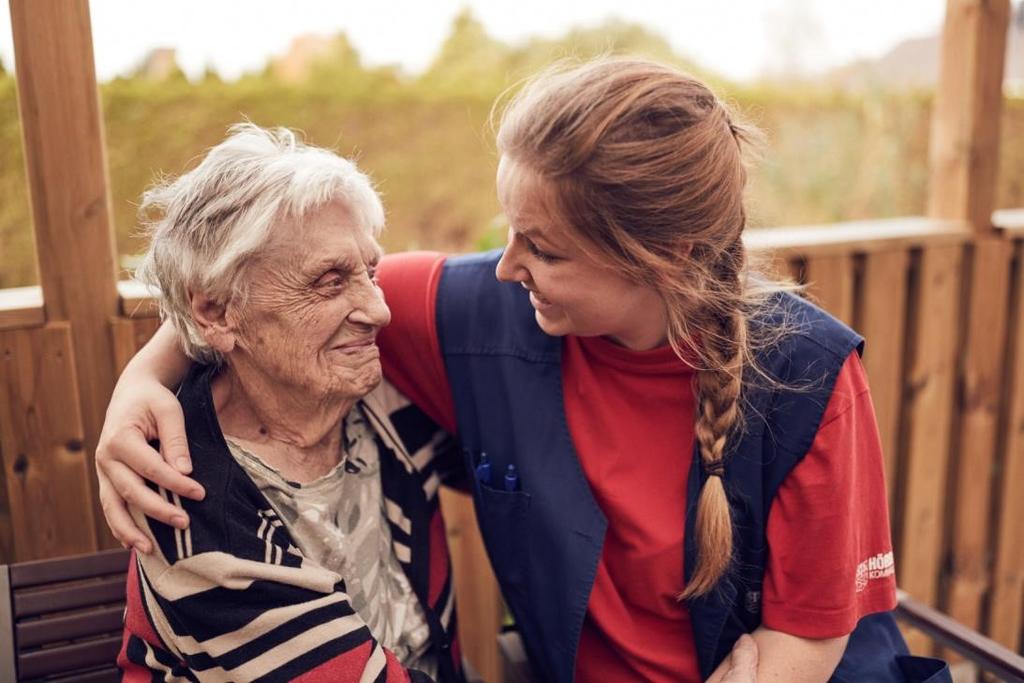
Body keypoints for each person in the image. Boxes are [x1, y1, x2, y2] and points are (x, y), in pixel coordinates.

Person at [98, 59, 947, 682]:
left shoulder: (806, 376)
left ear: (664, 258)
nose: (505, 265)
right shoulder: (477, 310)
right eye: (510, 230)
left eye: (542, 247)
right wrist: (140, 381)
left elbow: (809, 640)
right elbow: (238, 306)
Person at [112, 124, 464, 681]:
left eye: (370, 272)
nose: (378, 311)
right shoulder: (187, 502)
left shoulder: (380, 391)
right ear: (218, 313)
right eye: (329, 281)